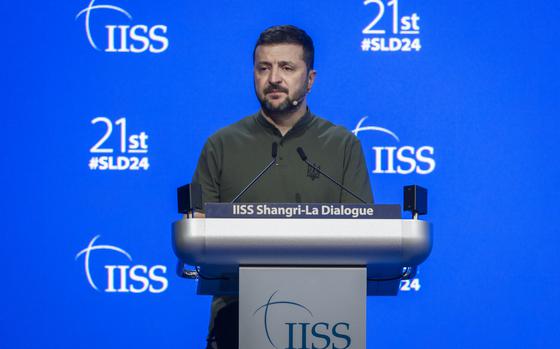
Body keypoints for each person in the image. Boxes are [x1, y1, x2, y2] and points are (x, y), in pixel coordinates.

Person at [192, 25, 373, 349]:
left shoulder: (343, 145)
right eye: (264, 68)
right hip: (235, 322)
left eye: (287, 67)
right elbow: (198, 238)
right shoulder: (220, 145)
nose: (274, 78)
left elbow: (362, 239)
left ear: (311, 78)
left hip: (324, 324)